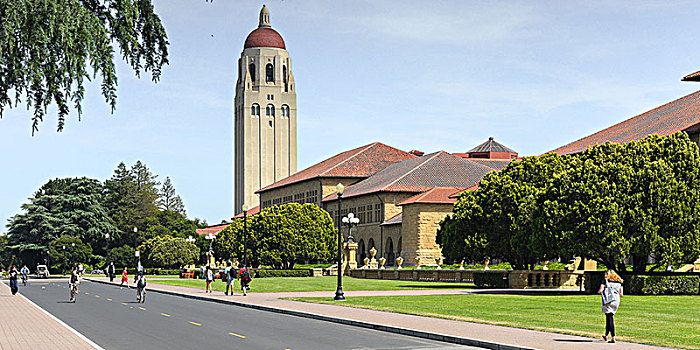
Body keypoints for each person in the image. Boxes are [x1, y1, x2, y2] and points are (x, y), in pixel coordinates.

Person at [598, 269, 624, 343]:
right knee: (609, 317)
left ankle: (613, 336)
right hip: (616, 300)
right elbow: (621, 294)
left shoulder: (605, 280)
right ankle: (606, 335)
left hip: (608, 300)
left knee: (610, 318)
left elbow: (600, 290)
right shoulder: (619, 282)